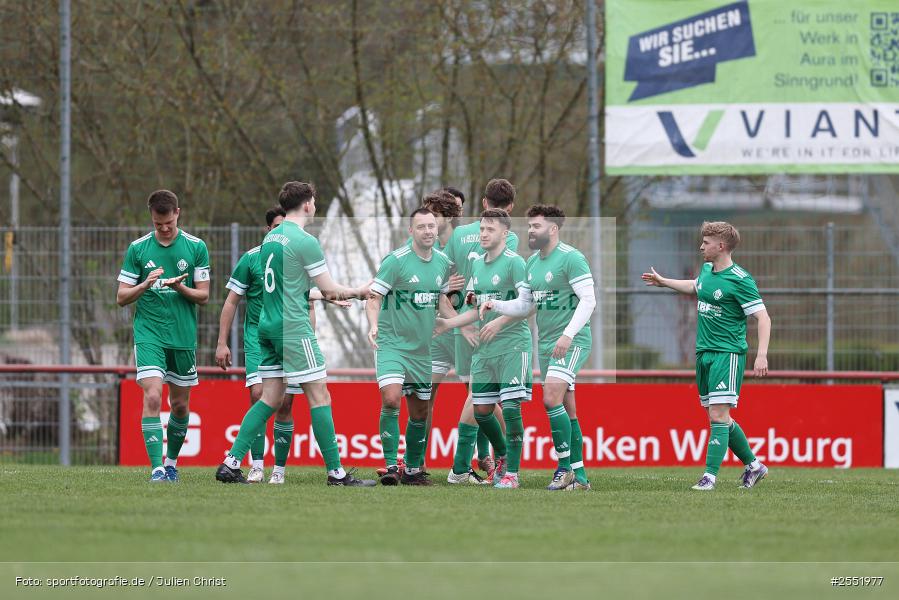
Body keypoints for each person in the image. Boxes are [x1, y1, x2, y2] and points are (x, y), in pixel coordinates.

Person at [215, 181, 374, 486]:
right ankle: (336, 473)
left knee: (270, 398)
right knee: (320, 396)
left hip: (267, 326)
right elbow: (328, 290)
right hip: (293, 327)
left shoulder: (271, 238)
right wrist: (358, 291)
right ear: (307, 205)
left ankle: (231, 462)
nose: (315, 206)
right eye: (314, 202)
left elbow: (292, 286)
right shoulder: (304, 241)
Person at [642, 221, 771, 490]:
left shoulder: (740, 279)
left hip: (728, 353)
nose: (701, 246)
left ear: (721, 246)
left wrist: (761, 355)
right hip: (704, 354)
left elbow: (763, 317)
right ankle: (755, 466)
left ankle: (709, 477)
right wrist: (664, 282)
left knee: (718, 414)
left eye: (706, 242)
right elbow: (695, 287)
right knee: (720, 417)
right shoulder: (708, 270)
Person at [481, 205, 595, 490]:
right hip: (546, 344)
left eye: (536, 226)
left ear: (553, 229)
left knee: (550, 398)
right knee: (568, 410)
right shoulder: (531, 263)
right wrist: (496, 304)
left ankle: (564, 468)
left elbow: (589, 300)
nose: (530, 231)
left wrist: (568, 335)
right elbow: (525, 305)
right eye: (530, 226)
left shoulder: (572, 258)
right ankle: (580, 478)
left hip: (572, 341)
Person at [116, 190, 210, 482]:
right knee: (153, 395)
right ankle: (156, 468)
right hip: (149, 334)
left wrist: (180, 287)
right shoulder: (138, 249)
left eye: (168, 222)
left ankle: (171, 463)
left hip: (182, 337)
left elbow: (204, 296)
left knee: (180, 405)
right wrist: (145, 285)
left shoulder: (196, 247)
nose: (164, 228)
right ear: (152, 218)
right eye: (159, 224)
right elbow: (121, 297)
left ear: (177, 213)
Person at [435, 209, 531, 488]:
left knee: (511, 409)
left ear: (504, 233)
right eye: (482, 229)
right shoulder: (477, 264)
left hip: (513, 346)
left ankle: (512, 472)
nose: (483, 234)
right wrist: (448, 323)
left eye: (490, 230)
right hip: (484, 348)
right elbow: (477, 309)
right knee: (481, 410)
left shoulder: (516, 263)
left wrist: (498, 314)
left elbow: (528, 306)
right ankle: (502, 456)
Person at [367, 208, 455, 486]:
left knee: (420, 411)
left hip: (421, 350)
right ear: (411, 231)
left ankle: (414, 471)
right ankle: (392, 465)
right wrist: (373, 325)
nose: (428, 231)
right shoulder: (396, 261)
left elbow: (442, 301)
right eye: (422, 227)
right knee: (392, 399)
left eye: (431, 226)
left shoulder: (442, 262)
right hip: (391, 344)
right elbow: (373, 297)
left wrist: (462, 325)